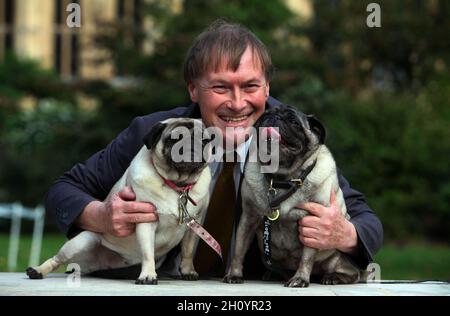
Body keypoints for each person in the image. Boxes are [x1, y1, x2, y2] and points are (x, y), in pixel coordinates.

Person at [45, 20, 383, 280]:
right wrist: (101, 216)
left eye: (250, 86)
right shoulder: (156, 134)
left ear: (267, 88)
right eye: (220, 87)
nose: (237, 104)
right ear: (193, 90)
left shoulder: (291, 139)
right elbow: (63, 191)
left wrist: (344, 233)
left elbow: (367, 222)